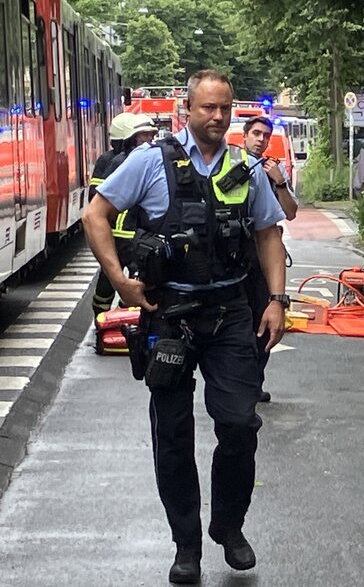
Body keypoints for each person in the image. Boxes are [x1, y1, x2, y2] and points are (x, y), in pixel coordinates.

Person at [83, 69, 287, 584]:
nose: (217, 117)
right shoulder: (151, 162)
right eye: (207, 109)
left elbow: (267, 232)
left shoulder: (247, 169)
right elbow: (96, 214)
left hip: (230, 314)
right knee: (172, 434)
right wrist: (120, 282)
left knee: (239, 424)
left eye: (225, 109)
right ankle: (186, 545)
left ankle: (229, 526)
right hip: (168, 317)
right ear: (187, 111)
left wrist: (278, 300)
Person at [242, 115, 298, 403]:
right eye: (256, 134)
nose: (261, 139)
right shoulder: (234, 166)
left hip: (264, 257)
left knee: (264, 324)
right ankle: (241, 382)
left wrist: (280, 183)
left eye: (265, 135)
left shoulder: (272, 171)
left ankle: (254, 381)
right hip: (239, 256)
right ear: (245, 136)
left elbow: (290, 212)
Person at [91, 114, 158, 316]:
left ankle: (123, 319)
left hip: (136, 234)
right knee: (112, 280)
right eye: (142, 136)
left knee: (136, 281)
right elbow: (98, 200)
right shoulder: (121, 161)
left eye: (150, 136)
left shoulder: (147, 160)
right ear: (132, 138)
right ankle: (105, 323)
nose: (147, 140)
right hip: (124, 235)